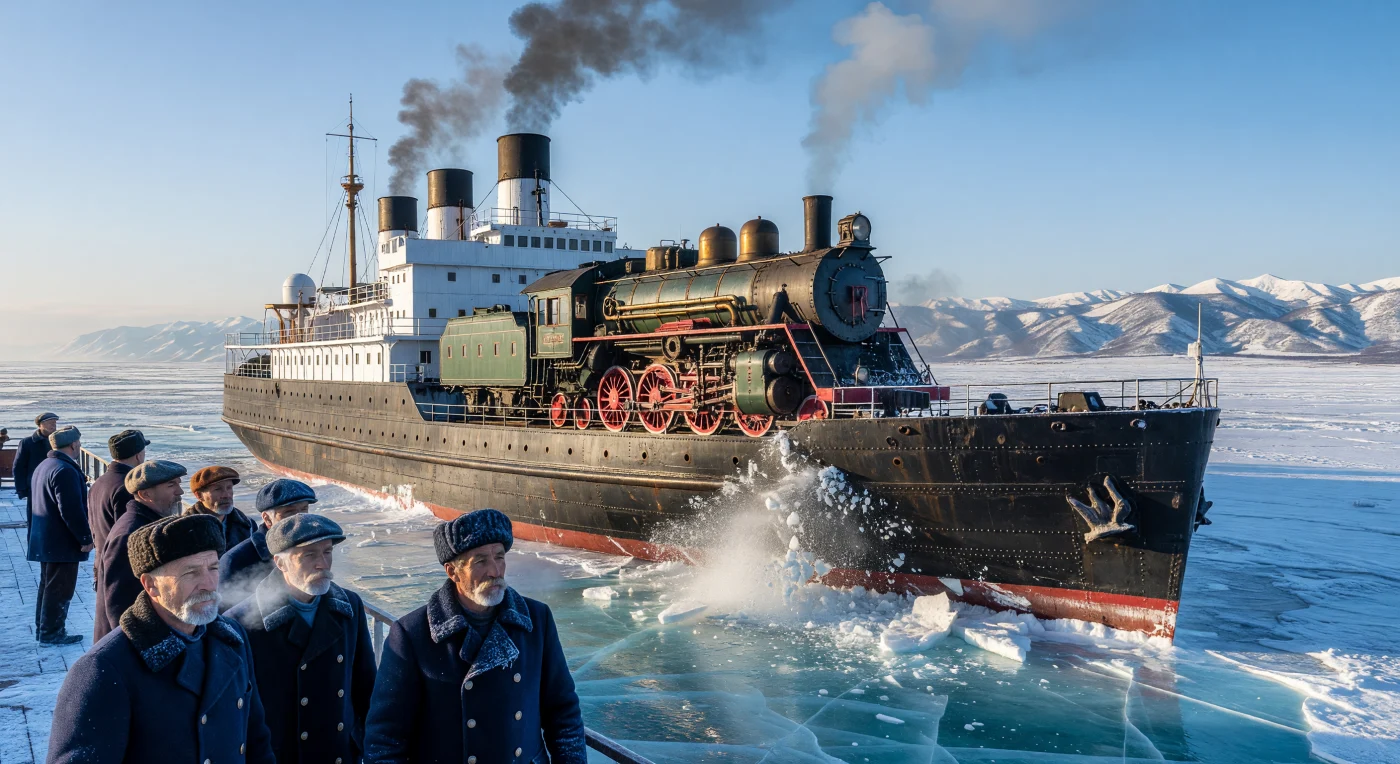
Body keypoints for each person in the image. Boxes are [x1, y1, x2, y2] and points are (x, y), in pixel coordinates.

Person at [47, 514, 276, 764]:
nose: (209, 584)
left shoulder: (231, 638)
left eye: (213, 568)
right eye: (190, 573)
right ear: (150, 585)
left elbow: (255, 737)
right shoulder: (103, 669)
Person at [364, 509, 587, 764]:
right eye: (480, 561)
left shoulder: (537, 620)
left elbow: (563, 712)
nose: (495, 570)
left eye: (499, 557)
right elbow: (385, 740)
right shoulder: (412, 634)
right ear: (453, 572)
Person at [228, 514, 376, 764]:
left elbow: (366, 686)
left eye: (327, 552)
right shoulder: (241, 623)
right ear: (280, 563)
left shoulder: (349, 606)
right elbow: (239, 712)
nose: (322, 564)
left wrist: (366, 747)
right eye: (308, 555)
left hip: (339, 752)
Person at [96, 460, 187, 642]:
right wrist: (136, 646)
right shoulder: (129, 534)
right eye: (171, 485)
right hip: (133, 643)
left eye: (179, 483)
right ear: (145, 494)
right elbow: (119, 603)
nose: (180, 492)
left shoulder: (151, 524)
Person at [27, 426, 93, 645]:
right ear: (73, 444)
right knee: (59, 589)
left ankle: (44, 630)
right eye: (79, 443)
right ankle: (52, 633)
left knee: (47, 586)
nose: (80, 447)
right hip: (61, 542)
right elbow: (71, 509)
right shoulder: (64, 470)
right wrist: (85, 538)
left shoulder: (45, 465)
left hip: (46, 539)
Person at [219, 478, 317, 606]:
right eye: (289, 512)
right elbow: (226, 618)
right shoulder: (235, 561)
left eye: (303, 510)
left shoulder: (315, 550)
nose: (299, 520)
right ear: (267, 519)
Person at [87, 428, 150, 559]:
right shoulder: (127, 487)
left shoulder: (100, 481)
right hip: (118, 563)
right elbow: (129, 532)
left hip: (103, 558)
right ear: (138, 455)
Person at [185, 465, 257, 550]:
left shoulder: (248, 524)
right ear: (199, 495)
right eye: (217, 489)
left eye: (229, 488)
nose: (226, 495)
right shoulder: (185, 528)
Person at [13, 412, 59, 526]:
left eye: (54, 422)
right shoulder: (27, 442)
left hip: (55, 485)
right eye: (50, 423)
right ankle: (32, 543)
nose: (53, 425)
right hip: (34, 487)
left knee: (55, 520)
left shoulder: (58, 442)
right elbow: (18, 467)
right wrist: (22, 489)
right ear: (40, 425)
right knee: (35, 520)